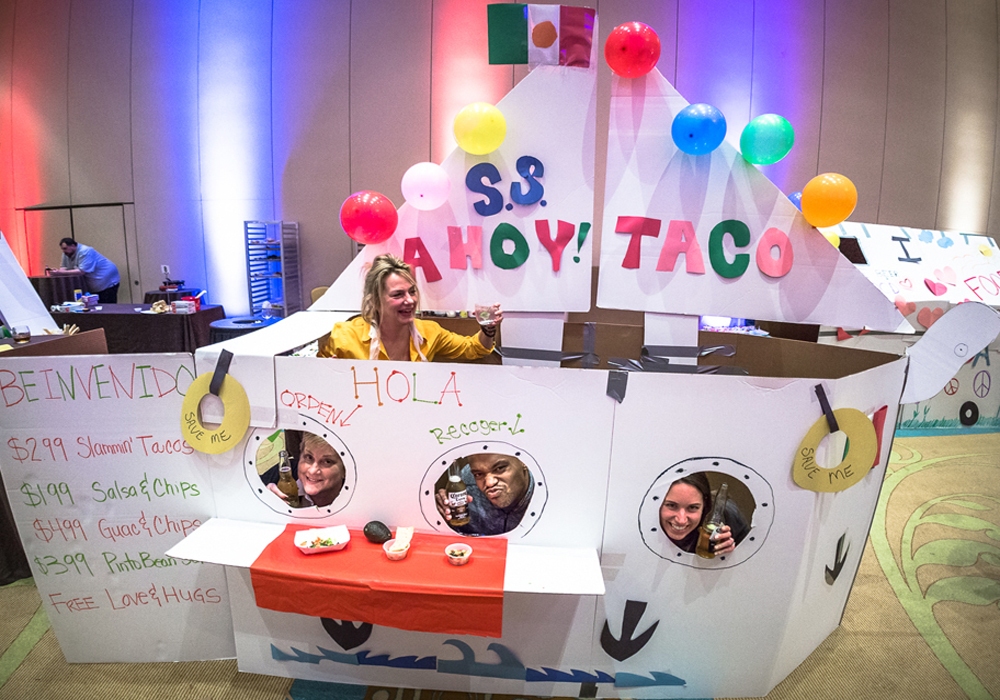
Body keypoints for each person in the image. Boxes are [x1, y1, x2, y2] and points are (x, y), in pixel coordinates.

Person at [318, 254, 502, 361]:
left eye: (412, 291)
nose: (410, 300)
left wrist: (488, 329)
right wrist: (328, 375)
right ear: (374, 301)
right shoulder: (343, 337)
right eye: (398, 294)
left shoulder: (429, 333)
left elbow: (473, 348)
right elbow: (313, 383)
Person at [435, 453, 533, 536]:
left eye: (500, 468)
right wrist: (441, 516)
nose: (489, 483)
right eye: (478, 474)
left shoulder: (545, 494)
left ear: (523, 461)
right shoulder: (465, 484)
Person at [659, 472, 750, 555]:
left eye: (693, 507)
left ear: (704, 504)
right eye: (671, 505)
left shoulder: (728, 515)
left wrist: (731, 555)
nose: (681, 520)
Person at [261, 432, 346, 508]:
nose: (312, 471)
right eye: (309, 457)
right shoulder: (277, 476)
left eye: (327, 462)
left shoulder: (357, 502)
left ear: (345, 469)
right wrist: (261, 501)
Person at [58, 238, 121, 303]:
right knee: (96, 304)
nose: (63, 251)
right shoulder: (66, 254)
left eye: (65, 248)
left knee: (107, 304)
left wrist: (60, 273)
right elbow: (63, 267)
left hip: (106, 278)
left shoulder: (85, 251)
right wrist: (58, 272)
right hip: (95, 281)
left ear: (73, 245)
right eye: (62, 249)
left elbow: (81, 271)